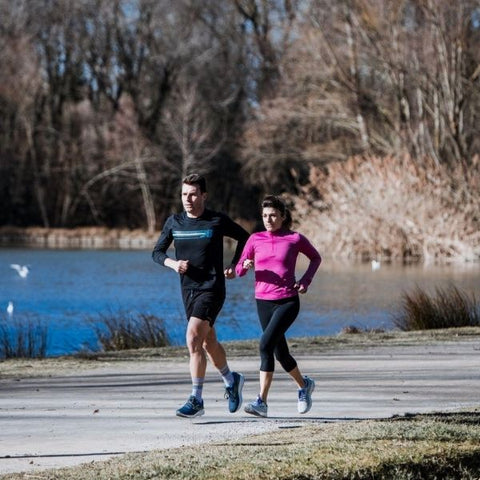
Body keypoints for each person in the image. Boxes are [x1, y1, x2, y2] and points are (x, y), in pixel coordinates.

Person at [152, 173, 249, 418]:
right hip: (188, 289)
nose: (188, 199)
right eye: (184, 194)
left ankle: (196, 399)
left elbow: (245, 238)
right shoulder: (174, 222)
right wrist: (173, 265)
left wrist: (235, 266)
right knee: (208, 342)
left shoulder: (216, 220)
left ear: (203, 196)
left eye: (193, 194)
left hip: (213, 287)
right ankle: (231, 379)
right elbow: (157, 252)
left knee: (193, 337)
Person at [235, 195, 321, 417]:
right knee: (280, 353)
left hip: (287, 301)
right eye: (264, 216)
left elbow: (315, 258)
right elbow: (238, 270)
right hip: (262, 301)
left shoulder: (294, 239)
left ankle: (261, 402)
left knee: (265, 345)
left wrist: (305, 281)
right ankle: (304, 386)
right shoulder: (255, 239)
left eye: (273, 215)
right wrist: (244, 265)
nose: (268, 219)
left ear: (283, 216)